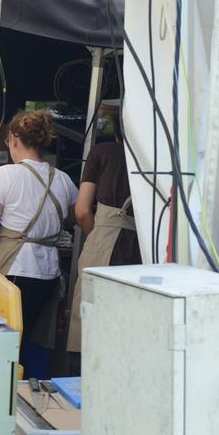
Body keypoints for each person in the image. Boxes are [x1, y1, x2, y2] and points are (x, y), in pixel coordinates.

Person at [0, 110, 78, 374]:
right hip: (49, 274)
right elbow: (75, 216)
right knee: (38, 338)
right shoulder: (63, 179)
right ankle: (32, 392)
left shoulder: (7, 174)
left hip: (16, 270)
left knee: (7, 338)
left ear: (12, 138)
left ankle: (3, 390)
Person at [65, 133, 141, 352]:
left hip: (105, 241)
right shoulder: (158, 158)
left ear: (117, 133)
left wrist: (95, 234)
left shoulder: (102, 152)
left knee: (89, 316)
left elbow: (81, 211)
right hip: (142, 248)